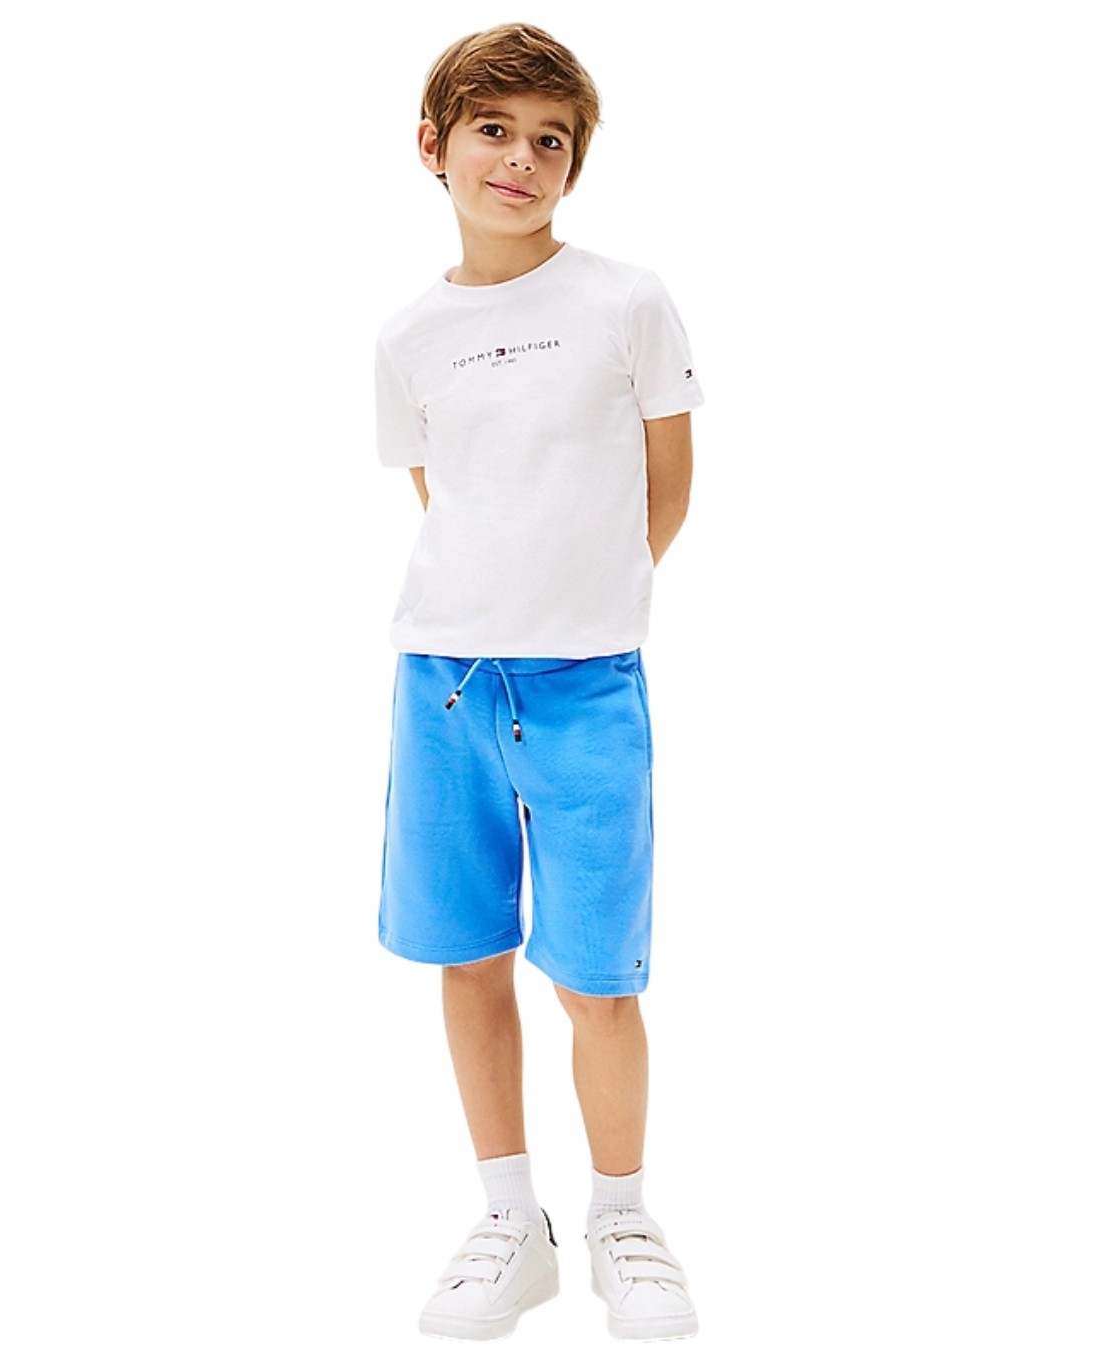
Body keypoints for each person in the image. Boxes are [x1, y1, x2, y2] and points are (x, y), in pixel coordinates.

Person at [373, 22, 703, 1342]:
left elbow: (664, 489)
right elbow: (444, 495)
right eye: (493, 131)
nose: (520, 159)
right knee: (468, 956)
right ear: (435, 146)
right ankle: (512, 1222)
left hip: (586, 684)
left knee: (598, 973)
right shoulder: (409, 337)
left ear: (575, 162)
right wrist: (499, 604)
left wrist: (582, 606)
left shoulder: (627, 303)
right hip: (445, 681)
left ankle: (622, 1216)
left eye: (549, 139)